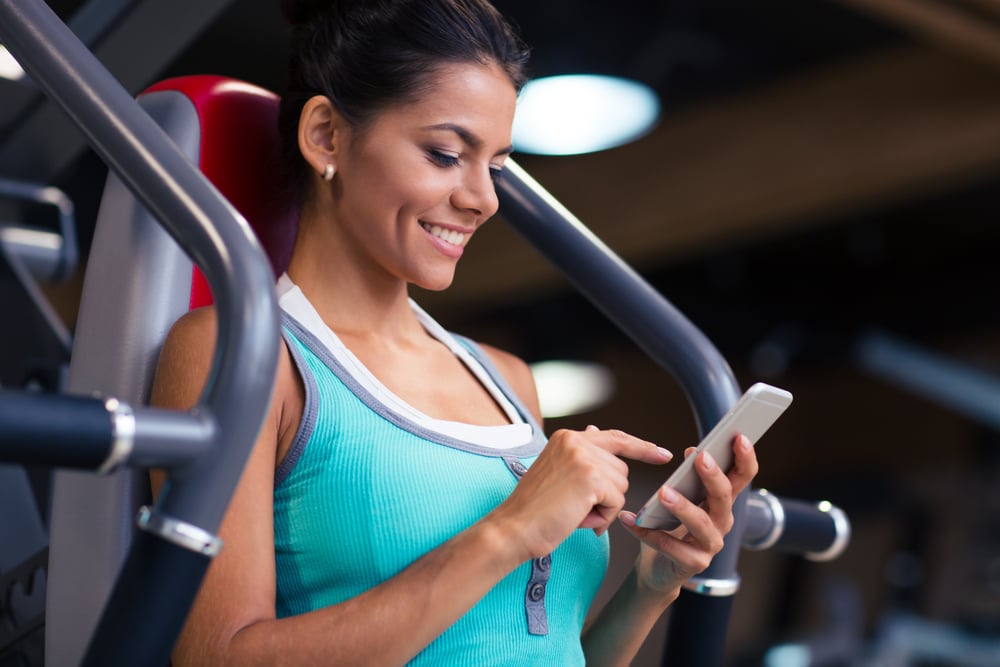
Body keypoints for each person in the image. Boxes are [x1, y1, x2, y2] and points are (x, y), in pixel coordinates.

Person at [150, 0, 759, 664]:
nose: (485, 198)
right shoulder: (240, 353)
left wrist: (649, 586)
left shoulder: (507, 378)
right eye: (445, 154)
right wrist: (509, 529)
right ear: (325, 135)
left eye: (495, 164)